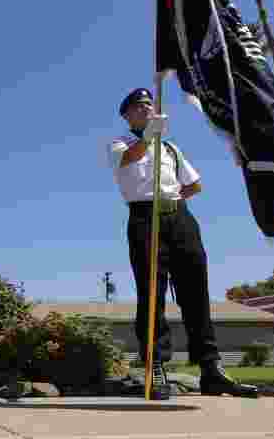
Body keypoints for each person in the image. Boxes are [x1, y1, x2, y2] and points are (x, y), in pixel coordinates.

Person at [108, 88, 257, 400]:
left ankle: (211, 368)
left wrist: (172, 201)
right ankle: (156, 367)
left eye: (150, 104)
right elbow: (128, 159)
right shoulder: (119, 144)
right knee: (152, 294)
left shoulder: (171, 149)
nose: (148, 109)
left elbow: (194, 184)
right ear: (127, 115)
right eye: (140, 106)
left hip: (179, 218)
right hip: (145, 219)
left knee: (196, 292)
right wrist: (149, 136)